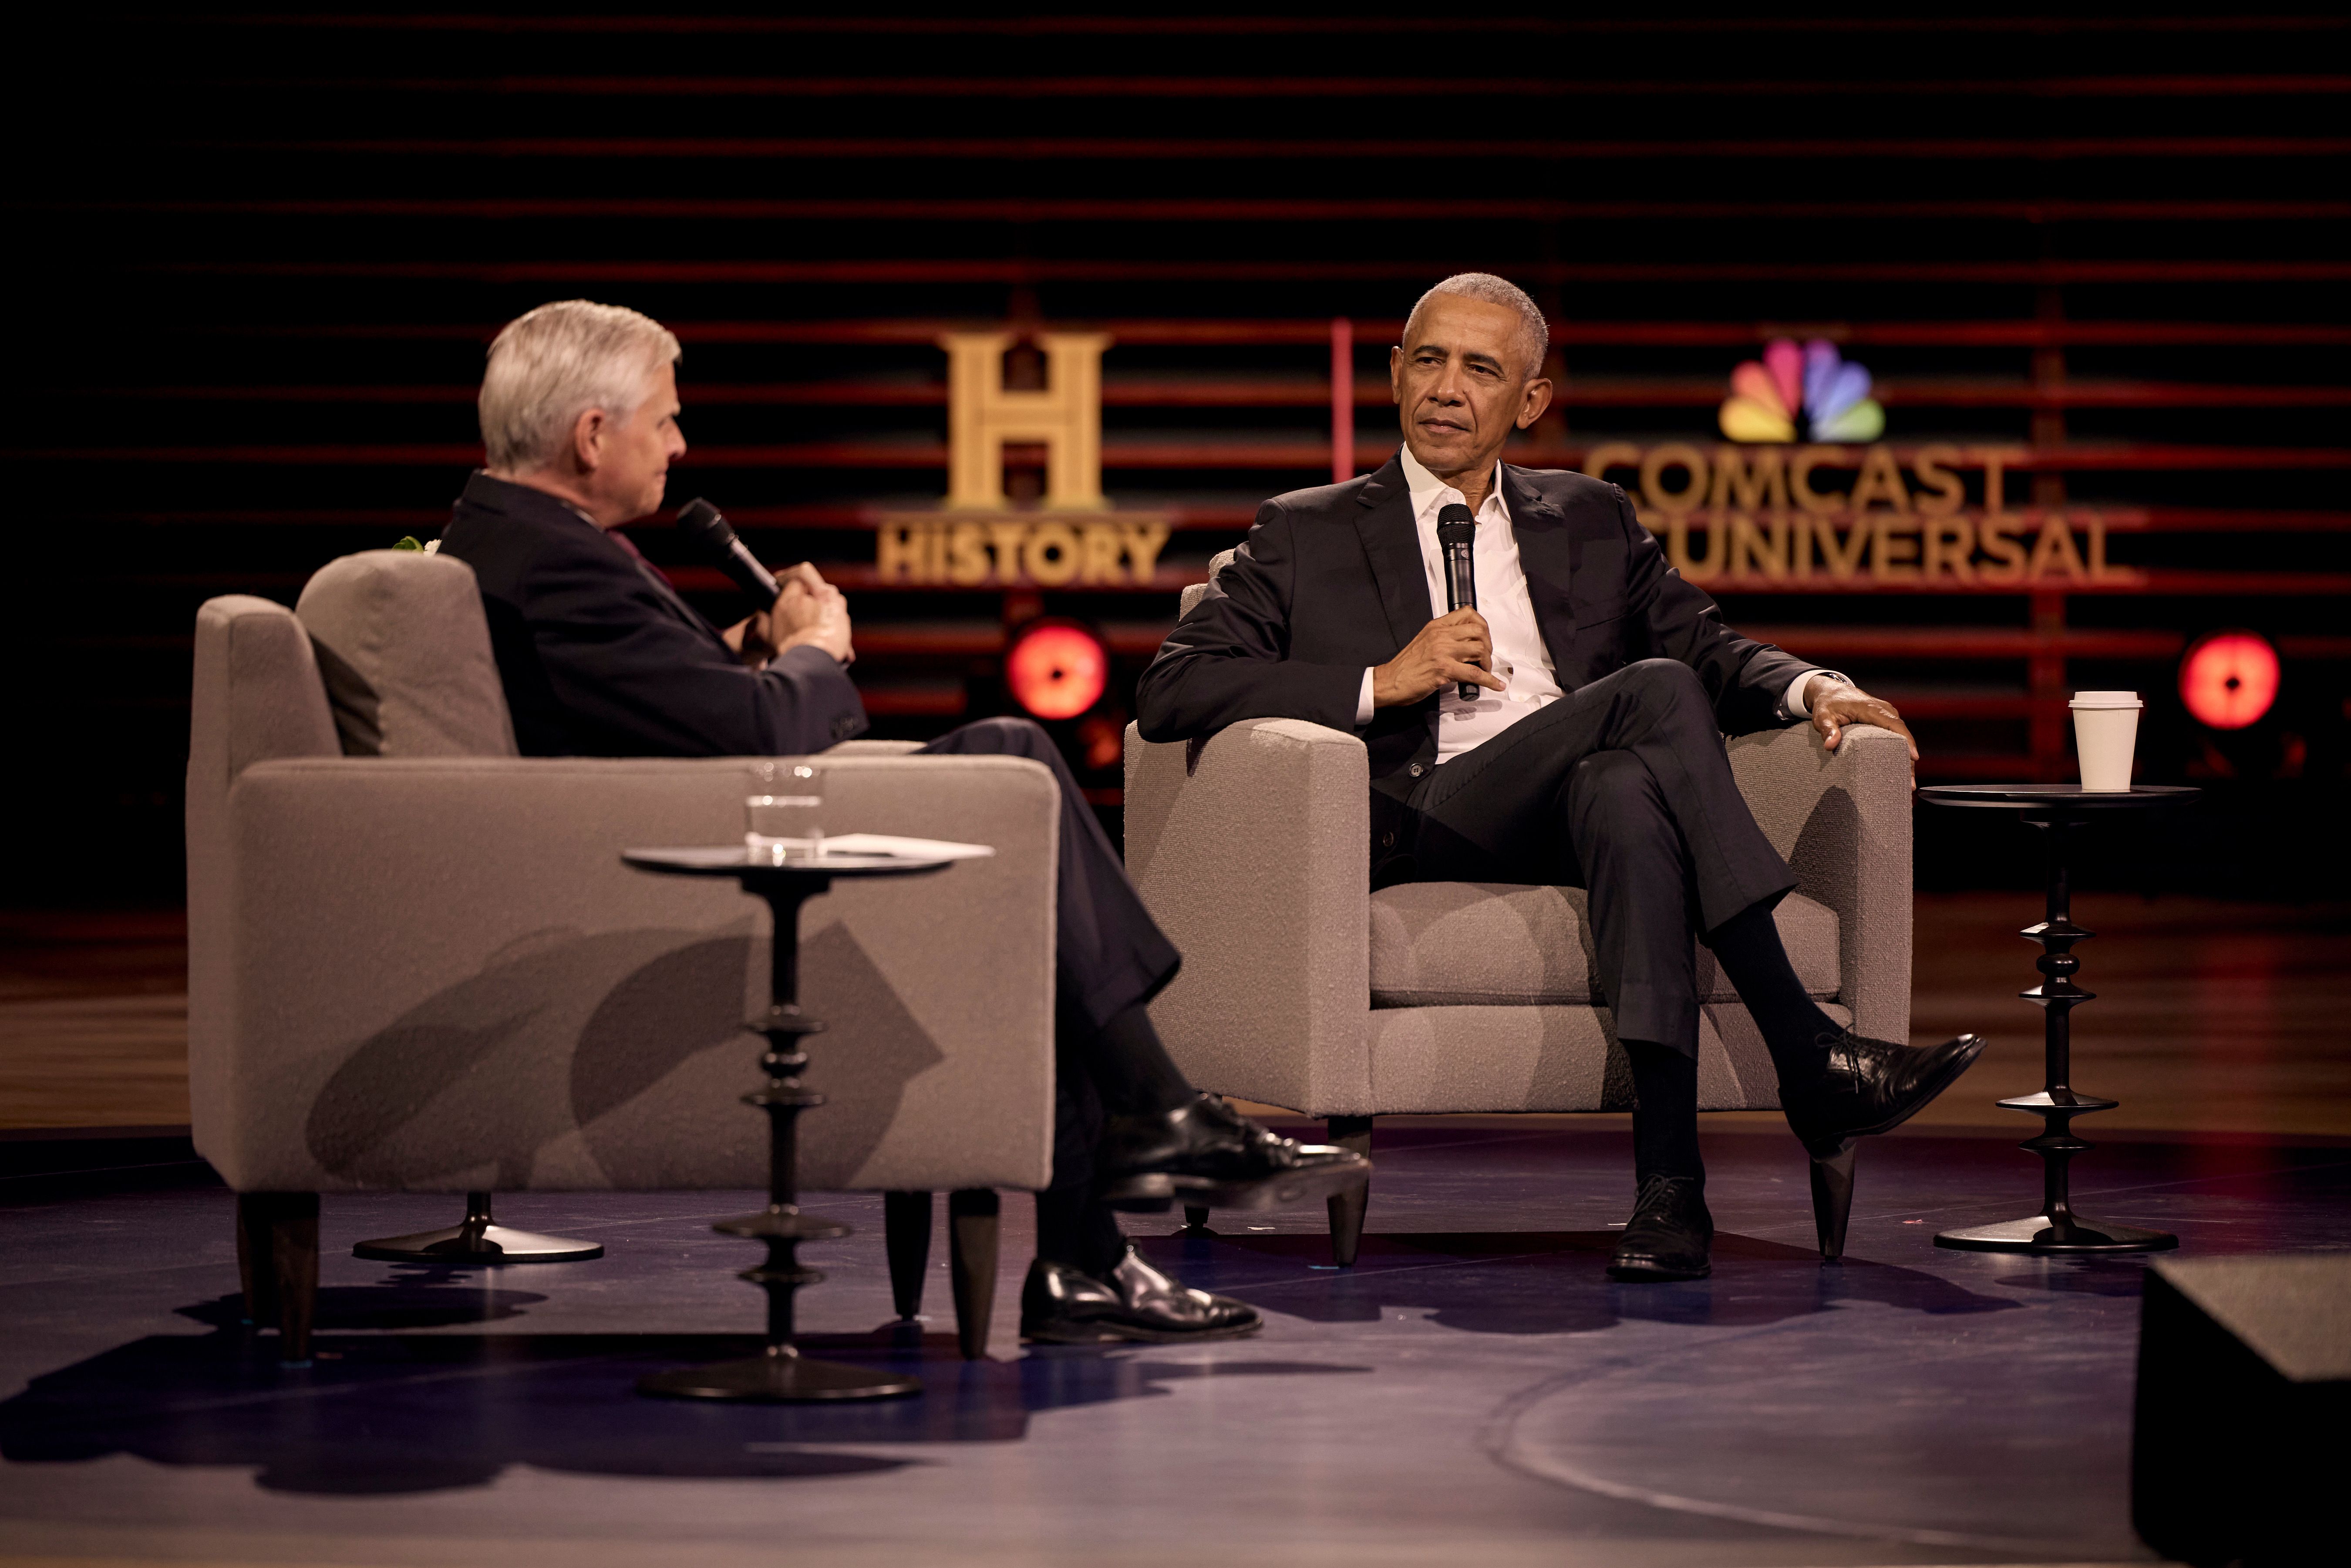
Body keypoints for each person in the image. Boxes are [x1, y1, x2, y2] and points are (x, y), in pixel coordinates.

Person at [435, 299, 1368, 1343]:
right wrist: (815, 651)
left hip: (696, 838)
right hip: (708, 883)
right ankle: (1156, 1119)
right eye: (666, 420)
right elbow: (761, 734)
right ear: (592, 435)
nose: (681, 443)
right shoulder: (556, 562)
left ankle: (1091, 1253)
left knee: (1026, 875)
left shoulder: (516, 542)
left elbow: (662, 712)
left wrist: (745, 648)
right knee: (1013, 759)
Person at [1135, 274, 1984, 1282]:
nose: (1448, 388)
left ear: (1528, 402)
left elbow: (1707, 645)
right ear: (1395, 373)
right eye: (1430, 360)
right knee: (1655, 698)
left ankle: (1671, 1193)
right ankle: (1807, 1050)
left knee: (1629, 793)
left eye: (1482, 369)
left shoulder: (1589, 518)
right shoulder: (1306, 528)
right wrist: (1379, 680)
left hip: (1570, 807)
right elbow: (1172, 689)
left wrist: (1811, 690)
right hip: (1415, 811)